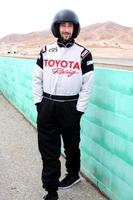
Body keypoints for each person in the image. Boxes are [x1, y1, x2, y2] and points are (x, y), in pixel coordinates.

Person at [33, 9, 94, 200]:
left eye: (70, 25)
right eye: (63, 25)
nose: (66, 29)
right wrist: (38, 103)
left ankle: (73, 174)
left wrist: (79, 110)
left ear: (75, 29)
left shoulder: (83, 54)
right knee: (49, 150)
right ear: (57, 27)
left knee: (71, 146)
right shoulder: (45, 50)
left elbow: (87, 86)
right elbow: (37, 79)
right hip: (48, 106)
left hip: (70, 107)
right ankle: (51, 190)